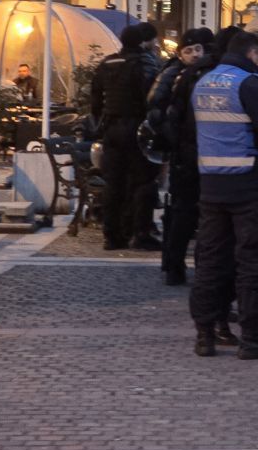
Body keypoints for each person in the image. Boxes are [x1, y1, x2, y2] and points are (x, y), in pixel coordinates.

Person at [189, 31, 258, 359]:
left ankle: (205, 334)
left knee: (210, 262)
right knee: (252, 262)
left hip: (211, 184)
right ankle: (253, 338)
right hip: (249, 184)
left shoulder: (202, 83)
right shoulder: (250, 84)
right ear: (253, 53)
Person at [149, 28, 212, 284]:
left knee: (184, 212)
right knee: (181, 213)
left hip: (190, 151)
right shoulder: (174, 74)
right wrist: (174, 138)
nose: (195, 54)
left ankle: (177, 264)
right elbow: (156, 107)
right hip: (184, 154)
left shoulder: (201, 73)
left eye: (198, 49)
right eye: (189, 50)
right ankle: (173, 265)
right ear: (180, 54)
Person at [91, 24, 162, 252]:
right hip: (137, 129)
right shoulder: (145, 63)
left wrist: (100, 125)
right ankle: (141, 233)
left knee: (114, 183)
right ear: (142, 42)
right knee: (143, 181)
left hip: (112, 129)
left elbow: (95, 101)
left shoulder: (106, 64)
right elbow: (151, 99)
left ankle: (111, 236)